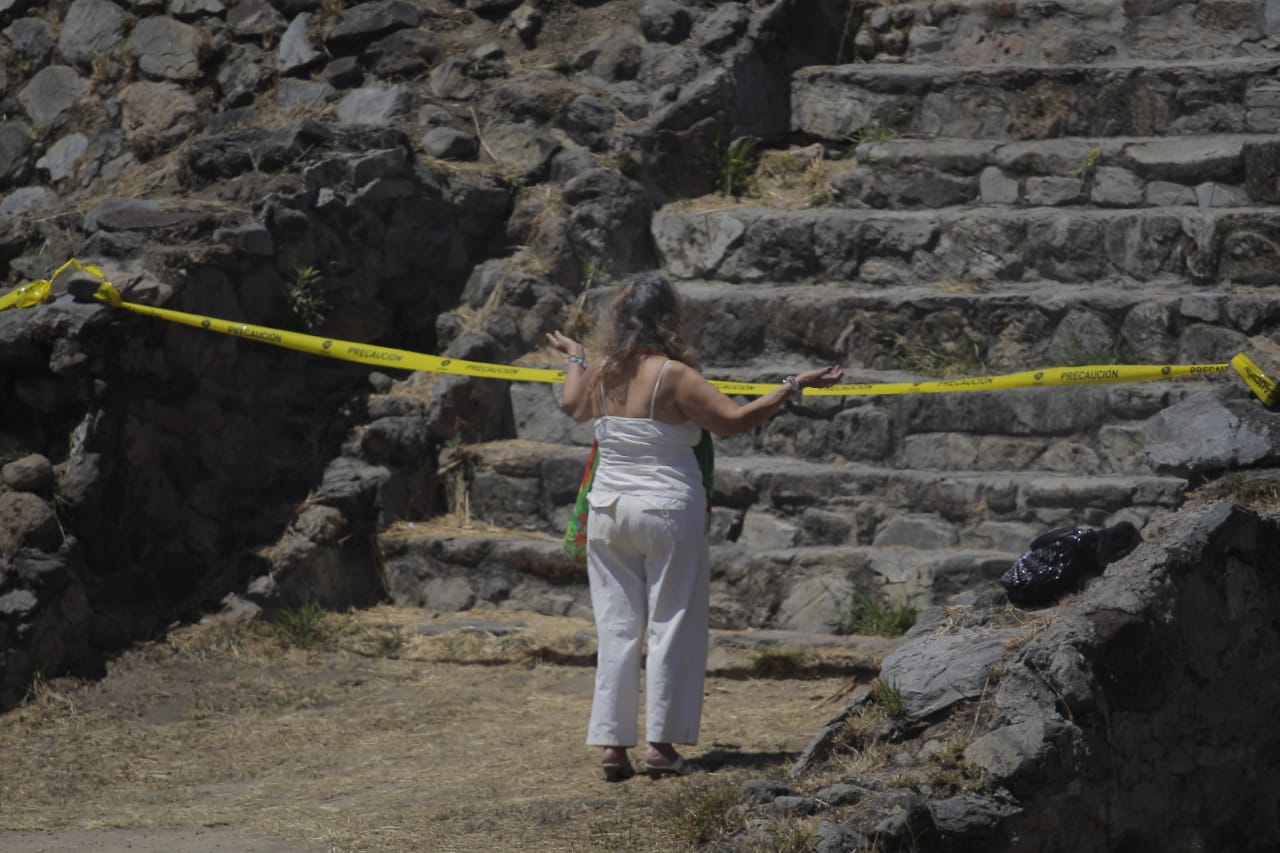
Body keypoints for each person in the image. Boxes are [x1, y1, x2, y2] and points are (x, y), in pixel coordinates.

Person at [545, 273, 843, 781]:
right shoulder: (675, 375)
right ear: (669, 320)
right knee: (672, 624)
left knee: (617, 628)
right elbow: (733, 421)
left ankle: (613, 748)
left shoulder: (601, 370)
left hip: (608, 510)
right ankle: (661, 747)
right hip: (665, 509)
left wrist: (575, 354)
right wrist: (793, 385)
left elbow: (571, 406)